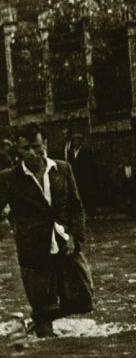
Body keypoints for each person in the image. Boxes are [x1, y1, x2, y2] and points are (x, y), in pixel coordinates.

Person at [0, 125, 88, 339]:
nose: (32, 153)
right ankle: (43, 331)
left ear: (45, 145)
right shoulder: (9, 178)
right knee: (43, 309)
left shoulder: (63, 169)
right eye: (25, 148)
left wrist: (74, 237)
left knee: (83, 298)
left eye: (36, 147)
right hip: (32, 250)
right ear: (18, 151)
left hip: (64, 243)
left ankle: (35, 320)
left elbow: (76, 207)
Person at [65, 132, 100, 210]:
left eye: (77, 141)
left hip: (85, 178)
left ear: (80, 142)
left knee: (86, 195)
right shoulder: (71, 153)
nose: (75, 143)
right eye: (74, 141)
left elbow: (90, 166)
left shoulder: (86, 152)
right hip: (75, 177)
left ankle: (89, 211)